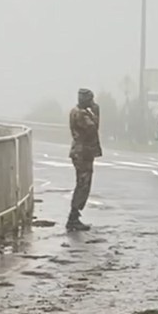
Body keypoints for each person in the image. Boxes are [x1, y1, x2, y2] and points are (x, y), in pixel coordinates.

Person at [67, 88, 101, 232]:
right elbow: (92, 128)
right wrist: (96, 113)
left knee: (82, 184)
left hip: (81, 152)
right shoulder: (81, 114)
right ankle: (73, 217)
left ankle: (74, 216)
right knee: (83, 185)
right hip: (83, 153)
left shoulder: (76, 111)